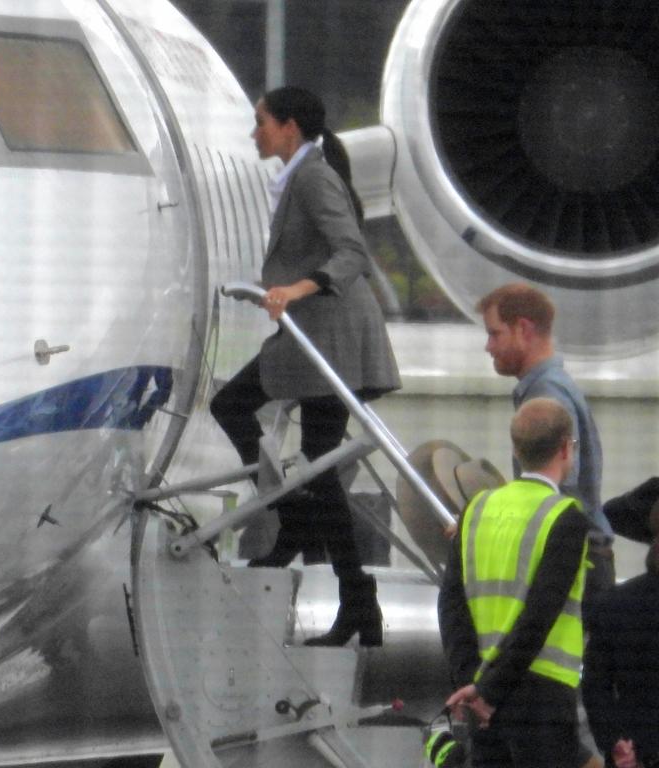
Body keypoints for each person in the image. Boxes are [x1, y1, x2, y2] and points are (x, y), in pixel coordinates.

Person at [209, 85, 400, 647]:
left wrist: (297, 286)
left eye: (262, 122)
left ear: (289, 127)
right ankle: (347, 588)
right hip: (314, 336)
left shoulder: (313, 177)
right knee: (314, 467)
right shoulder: (301, 175)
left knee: (254, 422)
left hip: (330, 338)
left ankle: (329, 565)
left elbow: (352, 251)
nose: (255, 133)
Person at [439, 398, 590, 767]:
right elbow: (539, 616)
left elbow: (450, 605)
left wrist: (473, 685)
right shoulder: (565, 517)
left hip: (481, 690)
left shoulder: (476, 509)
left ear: (514, 449)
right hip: (543, 694)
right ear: (565, 449)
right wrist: (489, 692)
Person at [476, 283, 614, 613]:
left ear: (523, 329)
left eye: (495, 334)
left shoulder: (545, 394)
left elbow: (559, 485)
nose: (488, 346)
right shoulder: (553, 386)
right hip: (586, 557)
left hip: (572, 563)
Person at [582, 527, 659, 768]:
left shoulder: (616, 602)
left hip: (634, 750)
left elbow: (595, 684)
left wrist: (614, 739)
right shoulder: (617, 603)